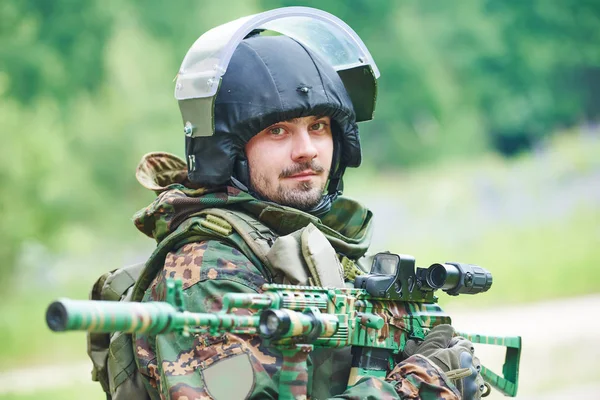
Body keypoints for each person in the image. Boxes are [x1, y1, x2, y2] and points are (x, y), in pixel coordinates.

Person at [127, 7, 484, 400]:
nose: (307, 150)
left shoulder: (305, 241)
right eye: (277, 131)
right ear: (227, 152)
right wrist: (418, 386)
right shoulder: (209, 271)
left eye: (318, 126)